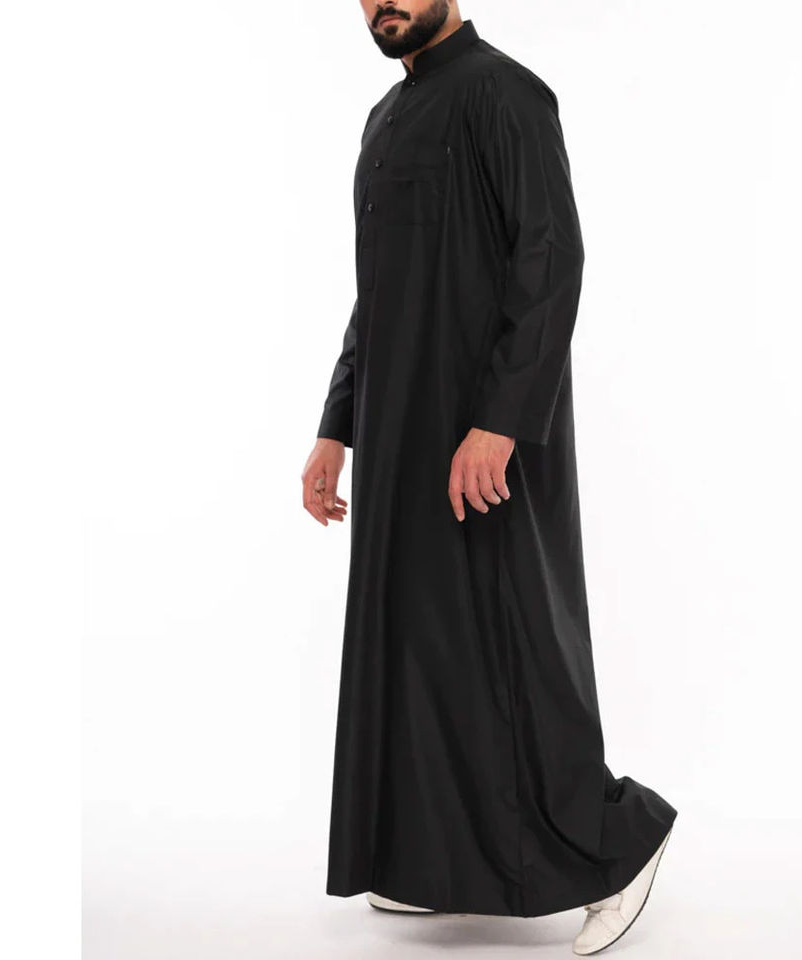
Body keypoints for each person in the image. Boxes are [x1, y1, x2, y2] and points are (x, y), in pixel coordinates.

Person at [301, 2, 677, 953]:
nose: (382, 1)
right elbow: (378, 293)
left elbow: (552, 259)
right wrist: (337, 426)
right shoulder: (386, 119)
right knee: (424, 655)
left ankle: (619, 846)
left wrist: (501, 422)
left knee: (517, 646)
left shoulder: (506, 94)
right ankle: (444, 866)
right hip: (399, 438)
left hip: (483, 442)